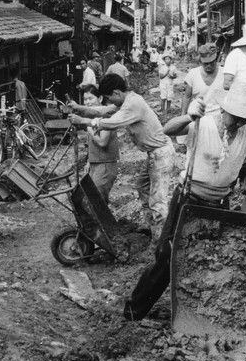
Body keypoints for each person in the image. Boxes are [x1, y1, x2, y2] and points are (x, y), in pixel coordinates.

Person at [123, 83, 246, 319]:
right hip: (189, 199)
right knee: (167, 254)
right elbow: (166, 130)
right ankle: (134, 311)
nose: (238, 122)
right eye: (235, 117)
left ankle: (199, 313)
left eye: (244, 118)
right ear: (223, 109)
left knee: (213, 258)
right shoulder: (204, 123)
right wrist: (189, 116)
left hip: (219, 204)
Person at [64, 72, 178, 239]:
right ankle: (152, 227)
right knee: (142, 187)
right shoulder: (126, 101)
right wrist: (80, 108)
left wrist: (84, 121)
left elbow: (111, 123)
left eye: (109, 97)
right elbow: (104, 110)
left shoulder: (133, 104)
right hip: (153, 153)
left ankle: (161, 243)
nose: (109, 102)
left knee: (158, 201)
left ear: (116, 92)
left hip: (161, 154)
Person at [81, 85, 119, 201]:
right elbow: (92, 142)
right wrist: (89, 161)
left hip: (105, 164)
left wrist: (88, 127)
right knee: (93, 201)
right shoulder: (93, 116)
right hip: (96, 163)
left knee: (99, 202)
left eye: (90, 98)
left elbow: (103, 142)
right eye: (85, 99)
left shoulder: (106, 115)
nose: (87, 102)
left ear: (100, 98)